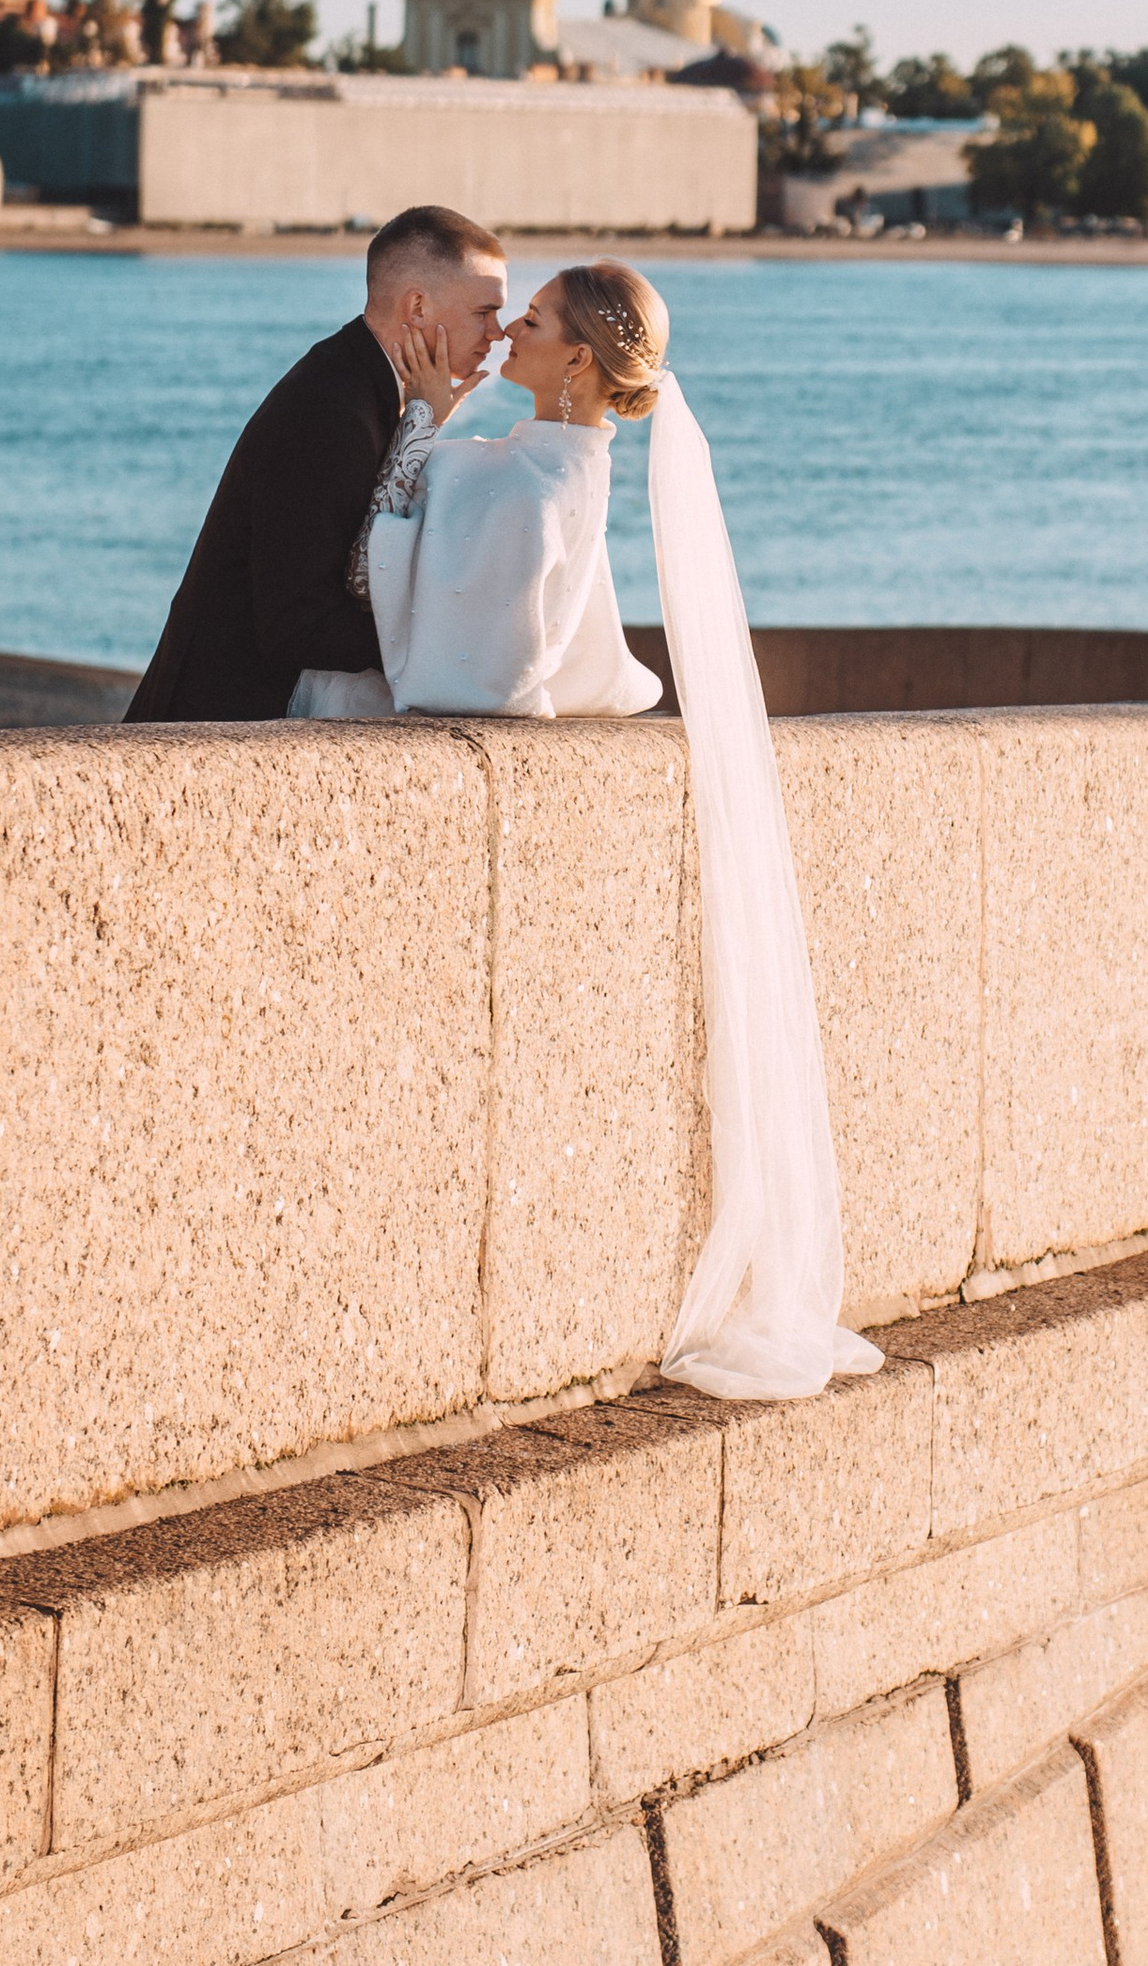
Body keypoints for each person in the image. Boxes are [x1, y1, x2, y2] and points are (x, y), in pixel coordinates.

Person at [301, 254, 880, 1407]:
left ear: (574, 357)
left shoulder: (535, 486)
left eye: (536, 314)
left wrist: (418, 418)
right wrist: (435, 426)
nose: (510, 323)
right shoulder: (542, 465)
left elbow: (442, 634)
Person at [123, 205, 507, 722]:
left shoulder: (357, 382)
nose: (498, 333)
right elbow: (296, 625)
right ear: (416, 307)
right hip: (217, 726)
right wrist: (450, 641)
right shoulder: (330, 411)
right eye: (484, 312)